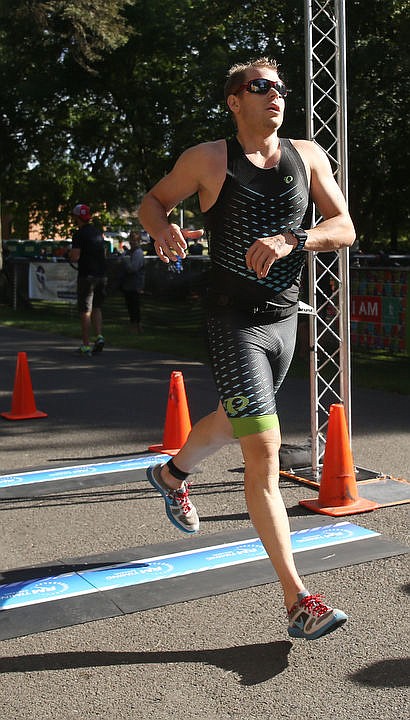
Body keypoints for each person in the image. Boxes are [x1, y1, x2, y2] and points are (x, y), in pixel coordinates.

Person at [138, 57, 355, 640]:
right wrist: (161, 228)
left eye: (280, 87)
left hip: (285, 323)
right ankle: (298, 601)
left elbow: (345, 227)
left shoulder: (307, 156)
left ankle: (172, 474)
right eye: (260, 87)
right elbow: (152, 202)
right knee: (262, 448)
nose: (275, 95)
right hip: (230, 322)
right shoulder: (206, 159)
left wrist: (294, 239)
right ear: (234, 100)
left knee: (233, 422)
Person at [69, 204, 107, 356]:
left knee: (85, 310)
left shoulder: (79, 234)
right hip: (102, 275)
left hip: (87, 276)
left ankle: (86, 345)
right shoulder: (98, 232)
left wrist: (68, 254)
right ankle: (99, 337)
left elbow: (75, 256)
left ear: (77, 218)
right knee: (97, 307)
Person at [119, 230, 145, 333]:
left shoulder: (138, 253)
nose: (132, 242)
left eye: (135, 240)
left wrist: (125, 261)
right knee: (130, 306)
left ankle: (137, 326)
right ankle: (133, 325)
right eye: (131, 240)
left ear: (138, 241)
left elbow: (133, 268)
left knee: (135, 306)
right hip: (129, 284)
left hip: (136, 284)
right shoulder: (130, 252)